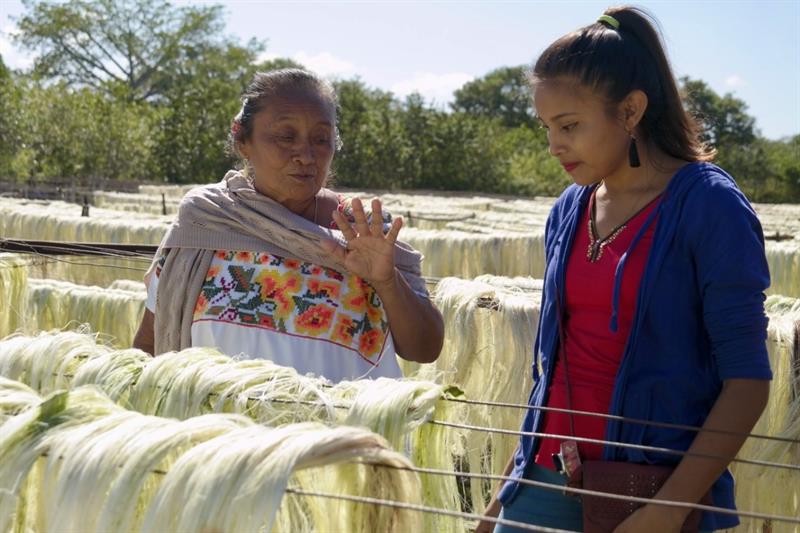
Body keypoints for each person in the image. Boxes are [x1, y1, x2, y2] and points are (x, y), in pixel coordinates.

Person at [479, 7, 771, 533]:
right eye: (547, 127)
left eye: (569, 126)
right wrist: (501, 503)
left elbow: (747, 381)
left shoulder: (710, 207)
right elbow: (551, 373)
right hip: (541, 484)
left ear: (631, 110)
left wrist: (667, 512)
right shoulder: (569, 209)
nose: (554, 145)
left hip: (650, 495)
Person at [132, 69, 444, 382]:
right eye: (286, 136)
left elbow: (425, 349)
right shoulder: (207, 218)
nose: (306, 156)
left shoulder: (364, 230)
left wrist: (387, 281)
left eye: (321, 139)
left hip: (338, 429)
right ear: (243, 140)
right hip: (220, 429)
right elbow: (150, 343)